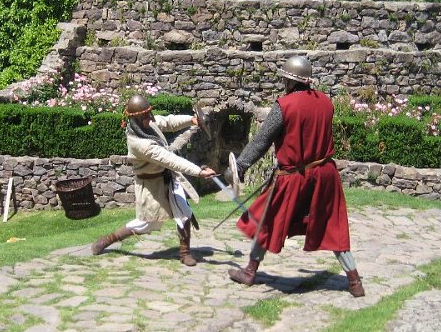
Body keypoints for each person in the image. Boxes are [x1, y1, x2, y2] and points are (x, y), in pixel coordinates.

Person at [227, 56, 365, 297]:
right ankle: (354, 281)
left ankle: (250, 271)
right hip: (325, 175)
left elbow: (261, 141)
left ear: (290, 81)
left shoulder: (284, 105)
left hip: (294, 177)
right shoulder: (326, 102)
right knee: (333, 225)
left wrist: (241, 165)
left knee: (266, 219)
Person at [91, 95, 217, 266]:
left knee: (184, 213)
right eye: (146, 116)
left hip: (168, 180)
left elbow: (168, 122)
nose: (150, 118)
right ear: (136, 118)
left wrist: (192, 120)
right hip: (151, 187)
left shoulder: (146, 123)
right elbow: (169, 159)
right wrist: (198, 172)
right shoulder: (138, 144)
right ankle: (109, 239)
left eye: (149, 114)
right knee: (145, 224)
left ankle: (185, 252)